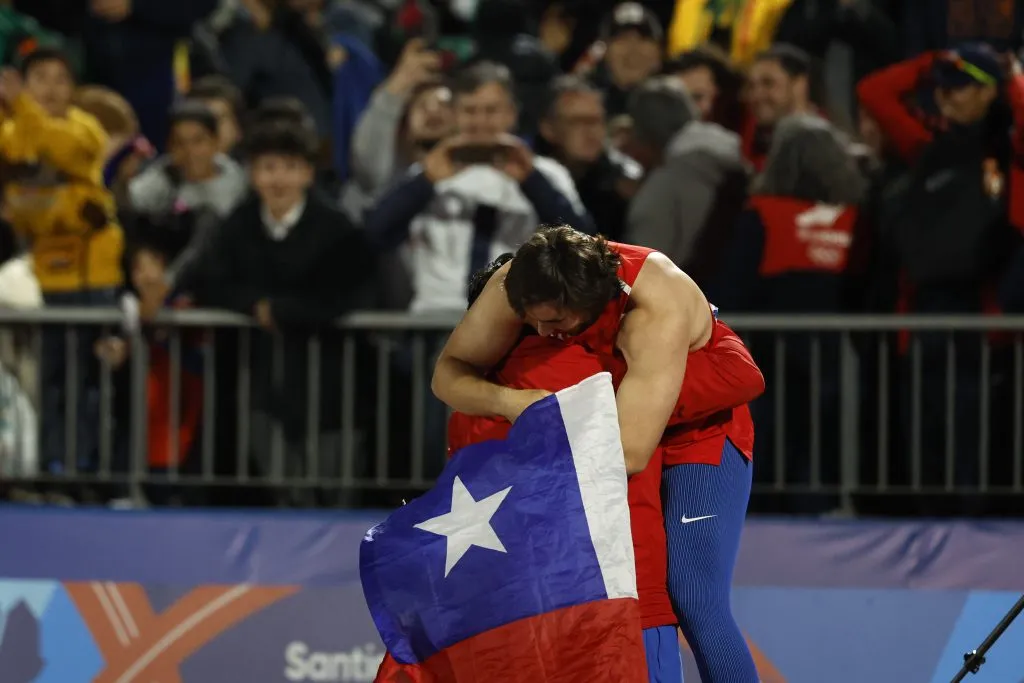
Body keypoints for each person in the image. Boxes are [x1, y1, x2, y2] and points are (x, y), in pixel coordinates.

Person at [432, 226, 764, 682]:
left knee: (694, 596)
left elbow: (627, 453)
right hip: (626, 402)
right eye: (530, 320)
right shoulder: (517, 282)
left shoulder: (653, 308)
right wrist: (512, 402)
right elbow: (448, 374)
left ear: (588, 305)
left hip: (695, 424)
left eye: (554, 322)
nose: (540, 332)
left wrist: (547, 436)